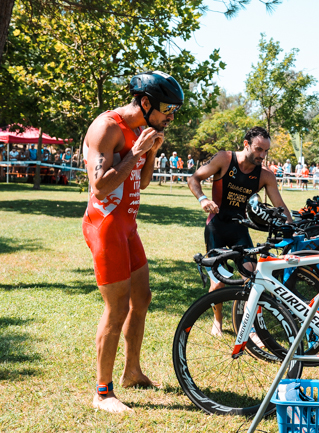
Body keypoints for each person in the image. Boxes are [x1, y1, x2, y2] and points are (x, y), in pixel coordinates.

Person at [81, 70, 183, 413]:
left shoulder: (143, 130)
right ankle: (102, 393)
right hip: (106, 224)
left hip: (128, 225)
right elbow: (101, 187)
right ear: (145, 102)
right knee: (117, 306)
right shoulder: (107, 127)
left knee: (142, 297)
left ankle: (132, 371)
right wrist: (134, 152)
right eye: (167, 109)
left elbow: (145, 180)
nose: (171, 116)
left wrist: (149, 152)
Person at [188, 126, 292, 336]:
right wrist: (203, 199)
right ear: (246, 144)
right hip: (216, 226)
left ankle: (250, 327)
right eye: (258, 149)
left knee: (253, 276)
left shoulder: (265, 176)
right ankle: (217, 321)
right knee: (218, 282)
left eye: (265, 151)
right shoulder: (224, 159)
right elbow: (193, 179)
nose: (262, 155)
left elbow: (280, 206)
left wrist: (293, 227)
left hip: (239, 229)